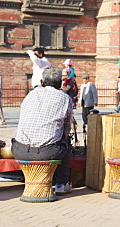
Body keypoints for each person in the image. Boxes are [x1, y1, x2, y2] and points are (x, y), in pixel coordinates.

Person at [11, 66, 74, 194]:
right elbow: (67, 129)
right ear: (60, 84)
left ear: (41, 82)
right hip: (47, 152)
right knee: (66, 142)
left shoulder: (31, 94)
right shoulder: (64, 98)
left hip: (20, 150)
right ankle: (61, 184)